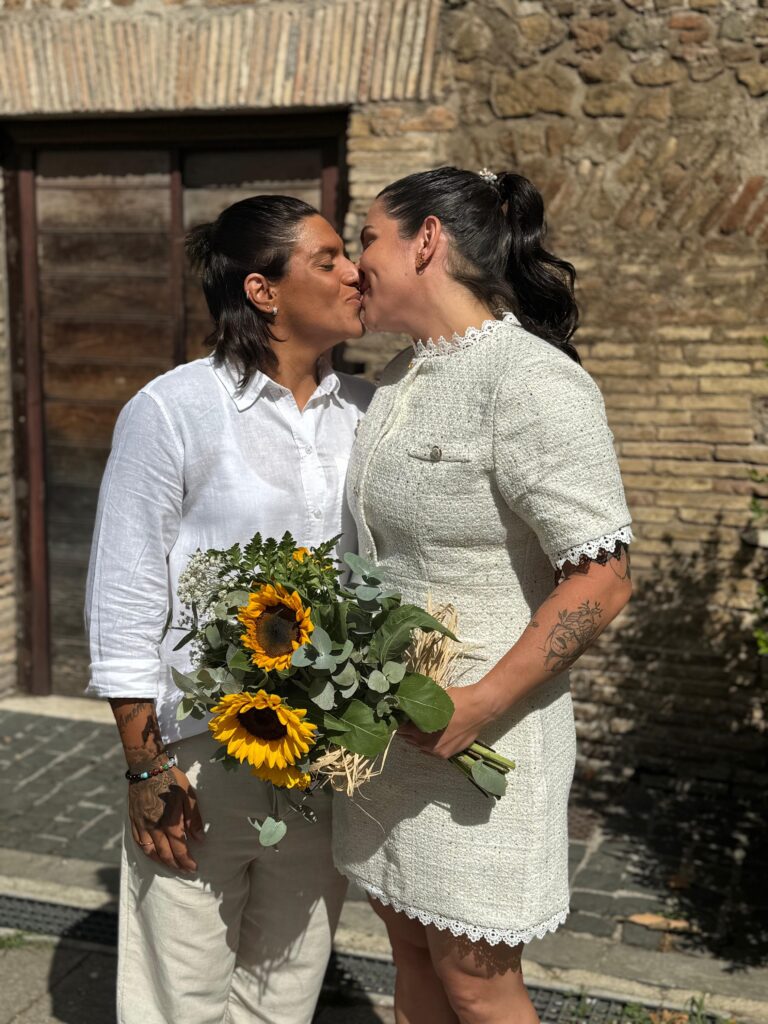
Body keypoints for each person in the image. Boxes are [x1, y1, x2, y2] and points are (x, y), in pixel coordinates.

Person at [333, 167, 633, 1024]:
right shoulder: (398, 377)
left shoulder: (530, 381)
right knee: (408, 951)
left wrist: (479, 702)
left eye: (368, 240)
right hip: (392, 740)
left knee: (477, 984)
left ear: (426, 240)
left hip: (485, 739)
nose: (355, 265)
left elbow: (604, 578)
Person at [85, 195, 373, 1024]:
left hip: (325, 752)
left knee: (288, 984)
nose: (354, 272)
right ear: (263, 290)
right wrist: (145, 766)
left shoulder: (368, 411)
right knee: (180, 992)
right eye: (327, 259)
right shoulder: (174, 410)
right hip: (201, 755)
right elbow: (125, 594)